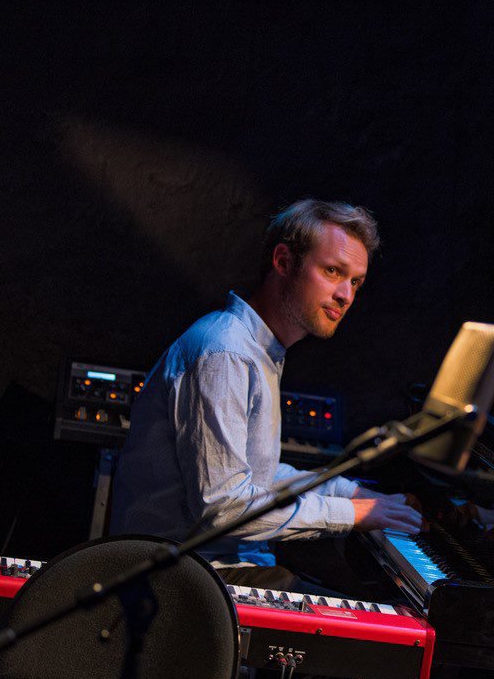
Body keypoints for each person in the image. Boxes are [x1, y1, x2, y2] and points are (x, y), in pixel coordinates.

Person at [111, 198, 422, 593]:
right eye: (332, 271)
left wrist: (354, 493)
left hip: (222, 571)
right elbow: (224, 509)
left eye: (355, 281)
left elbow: (258, 474)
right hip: (181, 582)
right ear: (283, 262)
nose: (346, 295)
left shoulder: (259, 352)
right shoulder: (225, 352)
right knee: (382, 640)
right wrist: (355, 513)